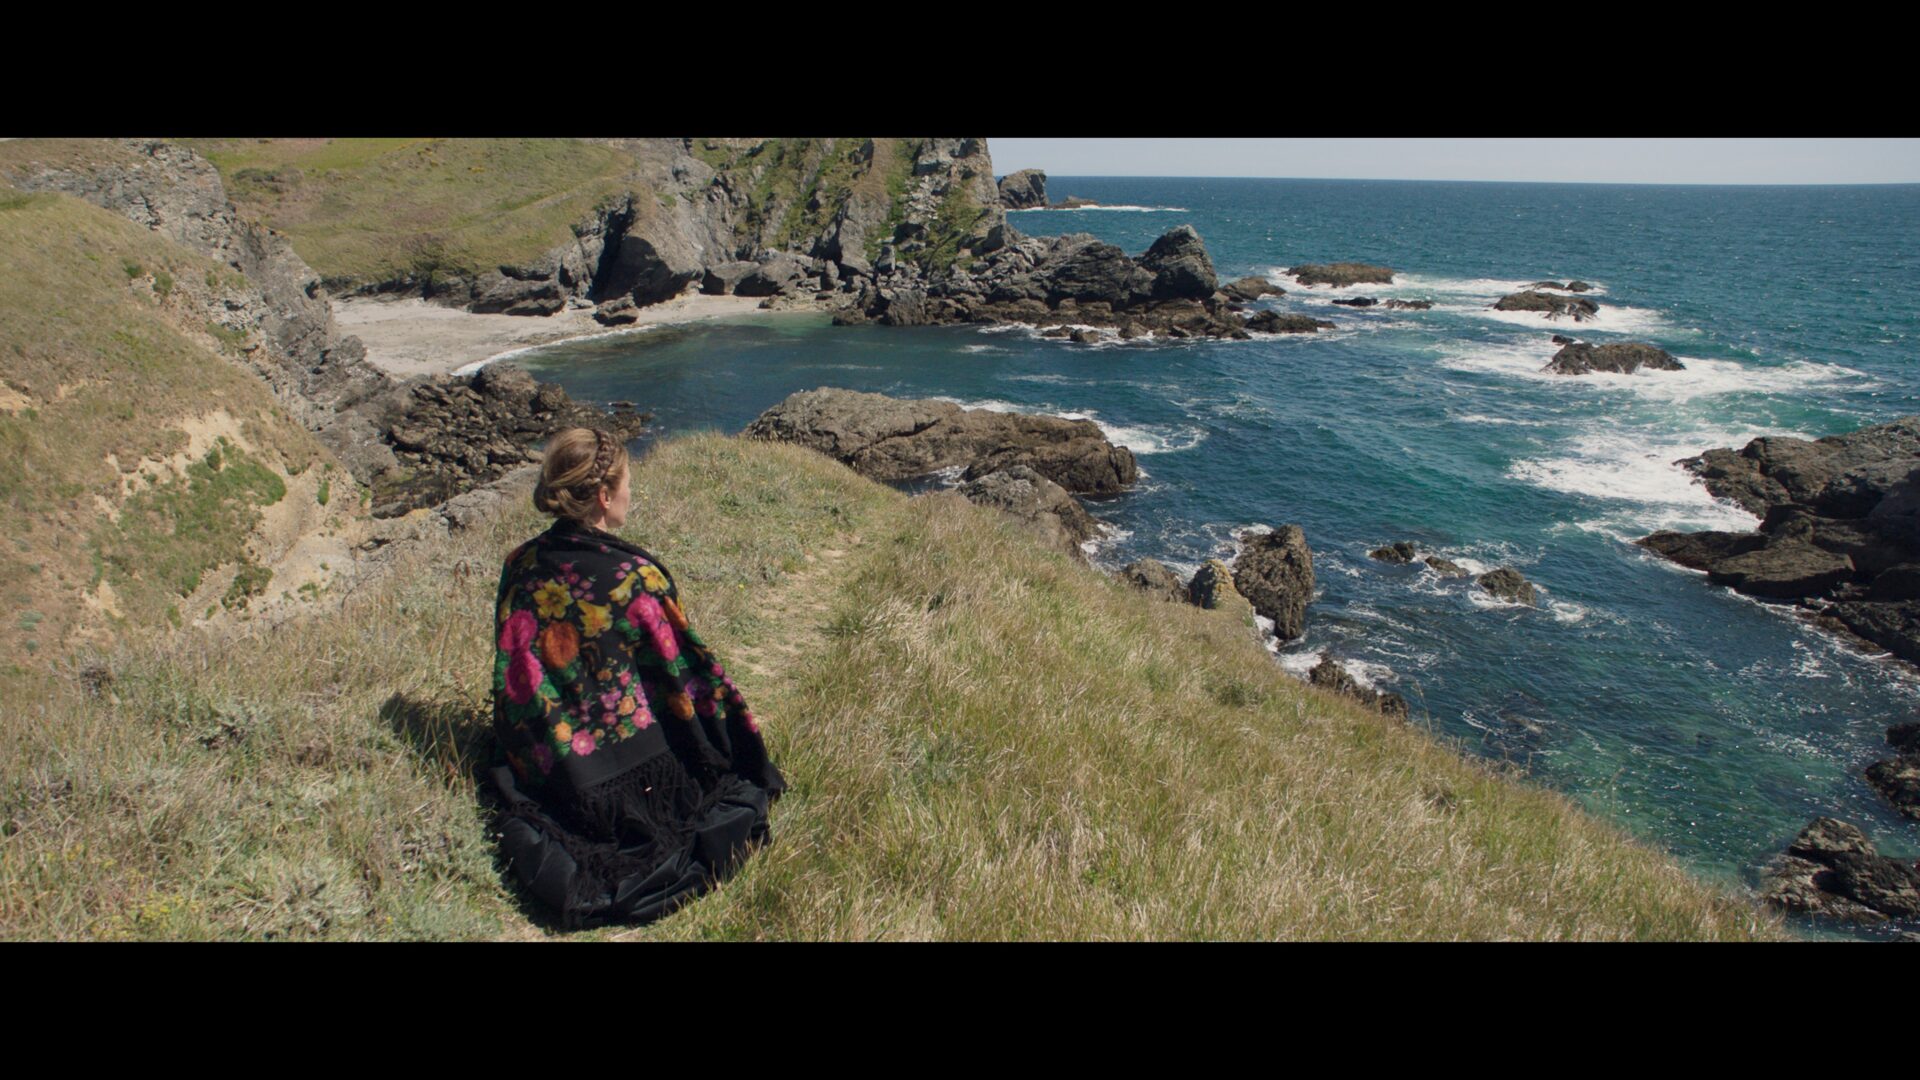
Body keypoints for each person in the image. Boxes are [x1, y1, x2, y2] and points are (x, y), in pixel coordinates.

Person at [487, 427, 786, 928]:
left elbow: (513, 672)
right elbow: (684, 674)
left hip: (551, 766)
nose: (631, 493)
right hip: (636, 783)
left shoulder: (520, 564)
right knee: (730, 783)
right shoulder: (634, 577)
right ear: (604, 496)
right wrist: (739, 736)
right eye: (627, 482)